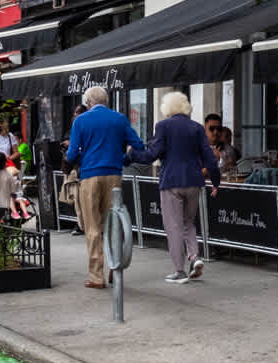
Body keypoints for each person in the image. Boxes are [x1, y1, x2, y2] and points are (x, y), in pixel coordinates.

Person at [130, 91, 220, 284]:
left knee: (174, 227)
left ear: (167, 108)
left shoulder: (163, 126)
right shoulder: (197, 128)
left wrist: (132, 154)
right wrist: (215, 181)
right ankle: (194, 257)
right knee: (188, 223)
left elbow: (152, 155)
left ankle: (179, 271)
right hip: (194, 181)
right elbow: (209, 158)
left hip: (171, 181)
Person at [64, 85, 146, 289]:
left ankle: (96, 276)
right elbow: (138, 145)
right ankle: (114, 267)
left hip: (90, 176)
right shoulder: (119, 119)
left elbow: (72, 153)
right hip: (114, 175)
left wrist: (72, 160)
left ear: (88, 102)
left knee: (92, 226)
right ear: (106, 101)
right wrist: (123, 157)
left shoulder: (81, 121)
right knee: (113, 223)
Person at [0, 152, 21, 226]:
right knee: (1, 223)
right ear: (4, 162)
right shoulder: (8, 174)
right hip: (4, 204)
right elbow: (14, 189)